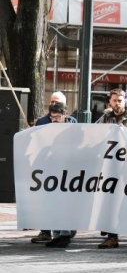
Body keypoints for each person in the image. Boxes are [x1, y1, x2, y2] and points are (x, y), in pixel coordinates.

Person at [96, 88, 127, 249]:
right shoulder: (104, 119)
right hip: (110, 167)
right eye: (114, 100)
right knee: (110, 201)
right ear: (109, 102)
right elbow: (96, 138)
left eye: (120, 100)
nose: (117, 103)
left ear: (125, 101)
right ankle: (112, 236)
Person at [32, 102, 77, 247]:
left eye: (58, 117)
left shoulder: (72, 127)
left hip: (67, 171)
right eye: (53, 117)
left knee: (65, 203)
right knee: (53, 203)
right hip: (51, 169)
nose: (55, 120)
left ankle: (65, 234)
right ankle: (57, 234)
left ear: (65, 115)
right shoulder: (47, 127)